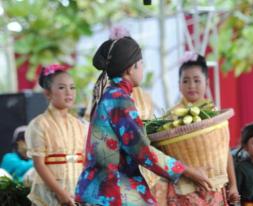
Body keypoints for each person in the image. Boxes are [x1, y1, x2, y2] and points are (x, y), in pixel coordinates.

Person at [74, 27, 212, 206]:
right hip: (110, 191)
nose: (143, 69)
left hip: (102, 188)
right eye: (141, 63)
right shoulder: (119, 100)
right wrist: (187, 170)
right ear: (132, 68)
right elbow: (142, 151)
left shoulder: (110, 95)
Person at [150, 51, 240, 206]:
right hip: (182, 190)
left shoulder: (213, 113)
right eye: (186, 81)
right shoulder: (171, 116)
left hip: (213, 187)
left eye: (197, 80)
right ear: (179, 85)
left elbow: (225, 151)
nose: (191, 85)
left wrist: (233, 185)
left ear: (207, 82)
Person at [25, 64, 87, 206]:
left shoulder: (78, 125)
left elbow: (84, 161)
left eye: (72, 87)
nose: (69, 92)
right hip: (47, 197)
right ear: (47, 93)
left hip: (76, 194)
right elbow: (39, 164)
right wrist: (61, 193)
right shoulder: (39, 124)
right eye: (61, 87)